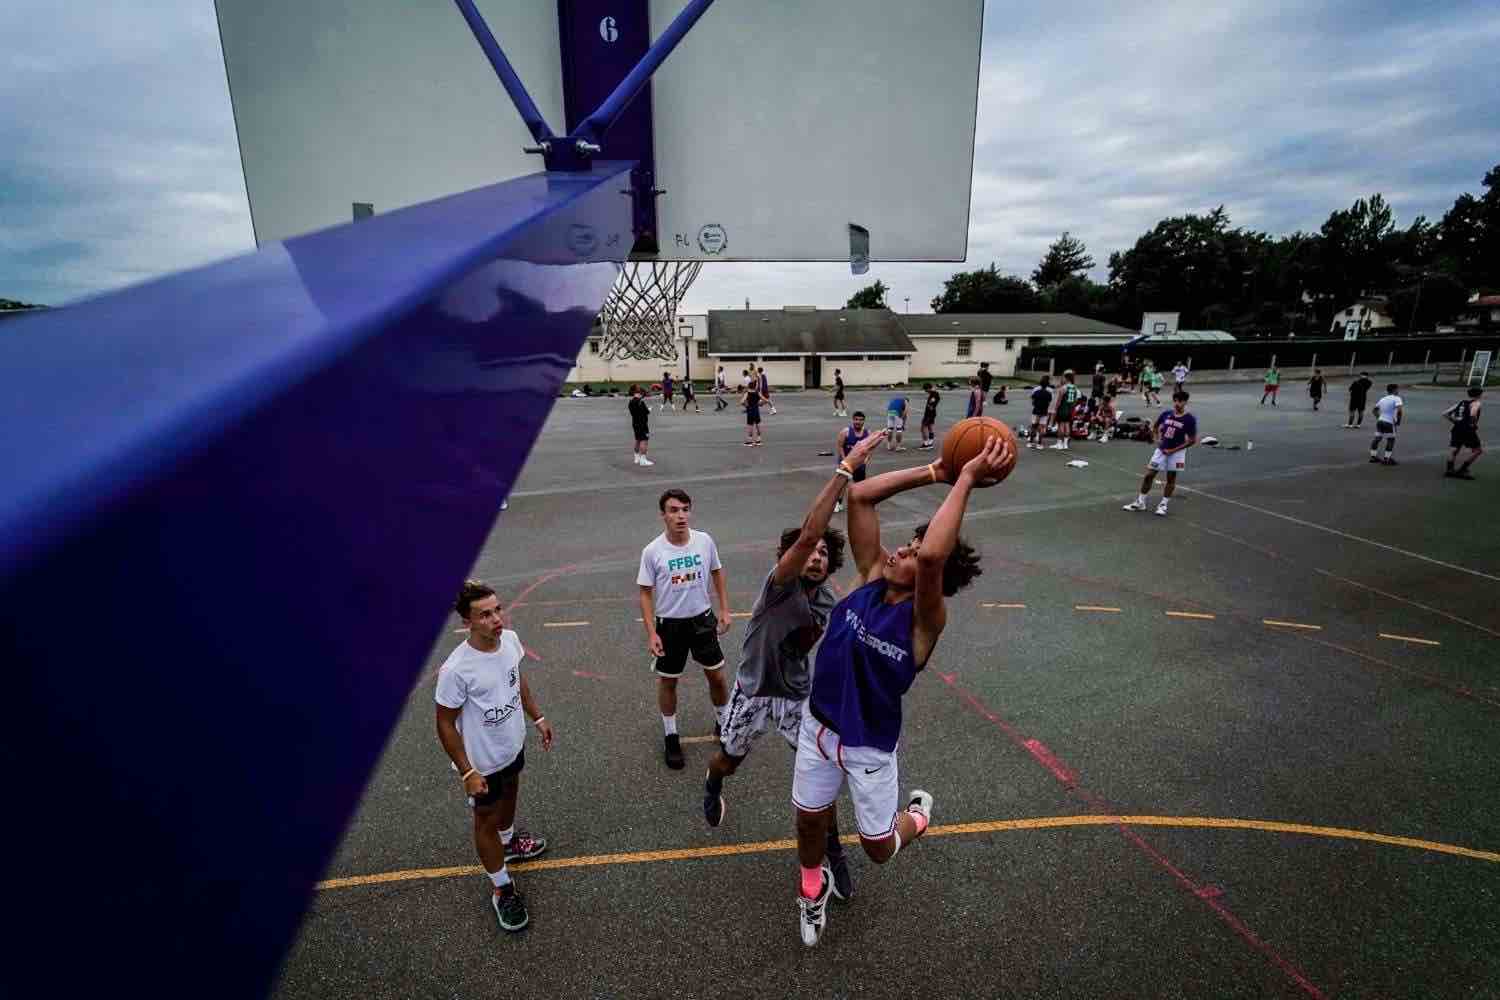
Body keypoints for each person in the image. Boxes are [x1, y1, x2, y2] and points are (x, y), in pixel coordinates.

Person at [790, 436, 1006, 947]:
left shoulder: (923, 622)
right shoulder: (869, 577)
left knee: (879, 849)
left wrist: (968, 479)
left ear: (932, 581)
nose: (904, 549)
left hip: (868, 744)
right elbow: (860, 499)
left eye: (910, 550)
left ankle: (916, 816)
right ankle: (811, 889)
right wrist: (934, 470)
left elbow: (933, 556)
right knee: (808, 820)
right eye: (906, 543)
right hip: (819, 727)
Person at [705, 429, 890, 903]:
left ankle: (833, 852)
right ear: (793, 555)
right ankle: (713, 781)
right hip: (753, 689)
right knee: (728, 759)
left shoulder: (828, 598)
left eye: (825, 553)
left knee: (820, 786)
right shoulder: (779, 584)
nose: (816, 555)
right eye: (810, 550)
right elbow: (812, 531)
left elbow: (868, 580)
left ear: (830, 566)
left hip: (797, 698)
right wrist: (846, 469)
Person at [435, 581, 555, 933]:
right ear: (466, 622)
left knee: (512, 791)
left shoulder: (511, 641)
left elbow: (518, 680)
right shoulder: (457, 669)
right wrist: (467, 771)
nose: (496, 619)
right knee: (485, 818)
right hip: (481, 763)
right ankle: (502, 887)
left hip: (512, 744)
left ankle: (509, 843)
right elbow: (444, 724)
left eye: (497, 610)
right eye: (484, 614)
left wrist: (538, 717)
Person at [638, 489, 733, 770]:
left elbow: (717, 571)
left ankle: (723, 723)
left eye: (685, 509)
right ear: (663, 515)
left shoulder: (704, 541)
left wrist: (724, 609)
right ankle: (670, 735)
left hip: (702, 621)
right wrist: (651, 633)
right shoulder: (653, 551)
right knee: (669, 682)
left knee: (716, 676)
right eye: (674, 510)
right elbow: (644, 593)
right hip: (670, 625)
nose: (681, 515)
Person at [1122, 390, 1198, 517]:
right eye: (1175, 400)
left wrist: (1173, 450)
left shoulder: (1189, 419)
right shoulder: (1166, 414)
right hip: (1162, 450)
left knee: (1171, 478)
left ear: (1185, 402)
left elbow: (1192, 440)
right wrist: (1158, 440)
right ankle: (1141, 502)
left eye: (1180, 401)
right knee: (1149, 475)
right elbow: (1155, 427)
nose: (1177, 403)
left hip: (1177, 452)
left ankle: (1163, 504)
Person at [834, 412, 872, 513]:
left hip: (859, 463)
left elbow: (870, 448)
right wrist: (844, 460)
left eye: (860, 420)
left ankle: (861, 503)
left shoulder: (867, 433)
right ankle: (838, 503)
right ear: (853, 420)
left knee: (860, 485)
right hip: (846, 462)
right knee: (842, 484)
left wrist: (866, 459)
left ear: (864, 421)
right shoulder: (845, 432)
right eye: (856, 419)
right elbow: (840, 446)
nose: (858, 422)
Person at [1444, 386, 1484, 479]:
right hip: (1467, 430)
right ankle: (1463, 470)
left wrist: (1456, 421)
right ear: (1479, 395)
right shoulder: (1476, 403)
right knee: (1478, 451)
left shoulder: (1462, 402)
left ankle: (1449, 470)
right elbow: (1473, 413)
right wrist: (1472, 424)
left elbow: (1445, 413)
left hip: (1457, 428)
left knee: (1455, 449)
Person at [1370, 384, 1403, 466]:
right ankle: (1387, 459)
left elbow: (1374, 410)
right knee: (1391, 440)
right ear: (1394, 390)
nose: (1398, 391)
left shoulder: (1383, 399)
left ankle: (1373, 457)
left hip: (1380, 421)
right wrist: (1398, 421)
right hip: (1390, 422)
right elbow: (1399, 411)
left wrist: (1379, 418)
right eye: (1397, 389)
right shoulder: (1397, 398)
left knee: (1377, 438)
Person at [1050, 370, 1080, 451]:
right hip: (1070, 409)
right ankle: (1065, 444)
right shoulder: (1074, 388)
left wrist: (1055, 409)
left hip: (1062, 408)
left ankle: (1059, 443)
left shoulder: (1063, 388)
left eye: (1063, 377)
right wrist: (1072, 409)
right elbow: (1075, 400)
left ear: (1066, 378)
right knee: (1067, 425)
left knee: (1061, 425)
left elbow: (1058, 401)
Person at [628, 385, 654, 467]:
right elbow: (646, 412)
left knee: (637, 440)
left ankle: (636, 458)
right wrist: (649, 409)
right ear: (636, 391)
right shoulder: (640, 402)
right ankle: (643, 460)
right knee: (644, 441)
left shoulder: (631, 402)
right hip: (642, 424)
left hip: (635, 423)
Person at [1028, 376, 1052, 449]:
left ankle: (1031, 442)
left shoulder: (1036, 391)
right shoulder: (1049, 393)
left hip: (1036, 411)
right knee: (1042, 427)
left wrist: (1036, 404)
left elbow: (1033, 401)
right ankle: (1039, 444)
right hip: (1044, 411)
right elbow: (1049, 402)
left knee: (1034, 426)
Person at [743, 377, 766, 447]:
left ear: (749, 387)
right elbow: (765, 400)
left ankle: (750, 441)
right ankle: (758, 440)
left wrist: (746, 406)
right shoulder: (757, 393)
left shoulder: (747, 393)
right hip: (756, 410)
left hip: (750, 411)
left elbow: (742, 401)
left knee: (750, 426)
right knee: (758, 425)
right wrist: (760, 404)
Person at [920, 384, 941, 449]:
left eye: (925, 390)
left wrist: (930, 406)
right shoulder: (934, 393)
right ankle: (930, 443)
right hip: (931, 413)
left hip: (929, 414)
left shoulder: (934, 394)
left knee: (923, 428)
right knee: (930, 427)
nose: (925, 391)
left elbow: (932, 405)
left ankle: (926, 444)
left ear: (928, 388)